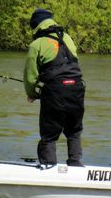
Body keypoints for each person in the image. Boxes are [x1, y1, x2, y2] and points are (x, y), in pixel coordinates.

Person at [23, 9, 85, 167]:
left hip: (55, 91)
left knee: (49, 134)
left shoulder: (36, 44)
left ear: (36, 26)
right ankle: (75, 164)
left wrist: (33, 94)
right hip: (77, 88)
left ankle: (49, 166)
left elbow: (30, 77)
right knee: (74, 130)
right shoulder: (68, 38)